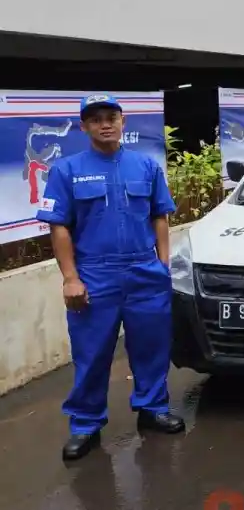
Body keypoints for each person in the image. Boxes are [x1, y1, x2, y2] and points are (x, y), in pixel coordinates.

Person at [36, 94, 185, 461]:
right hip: (94, 274)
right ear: (84, 126)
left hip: (144, 272)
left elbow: (160, 216)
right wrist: (70, 278)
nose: (105, 124)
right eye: (96, 119)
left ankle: (153, 408)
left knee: (151, 348)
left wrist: (162, 266)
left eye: (111, 117)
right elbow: (59, 227)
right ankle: (85, 425)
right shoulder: (66, 170)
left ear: (123, 122)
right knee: (91, 353)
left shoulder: (146, 166)